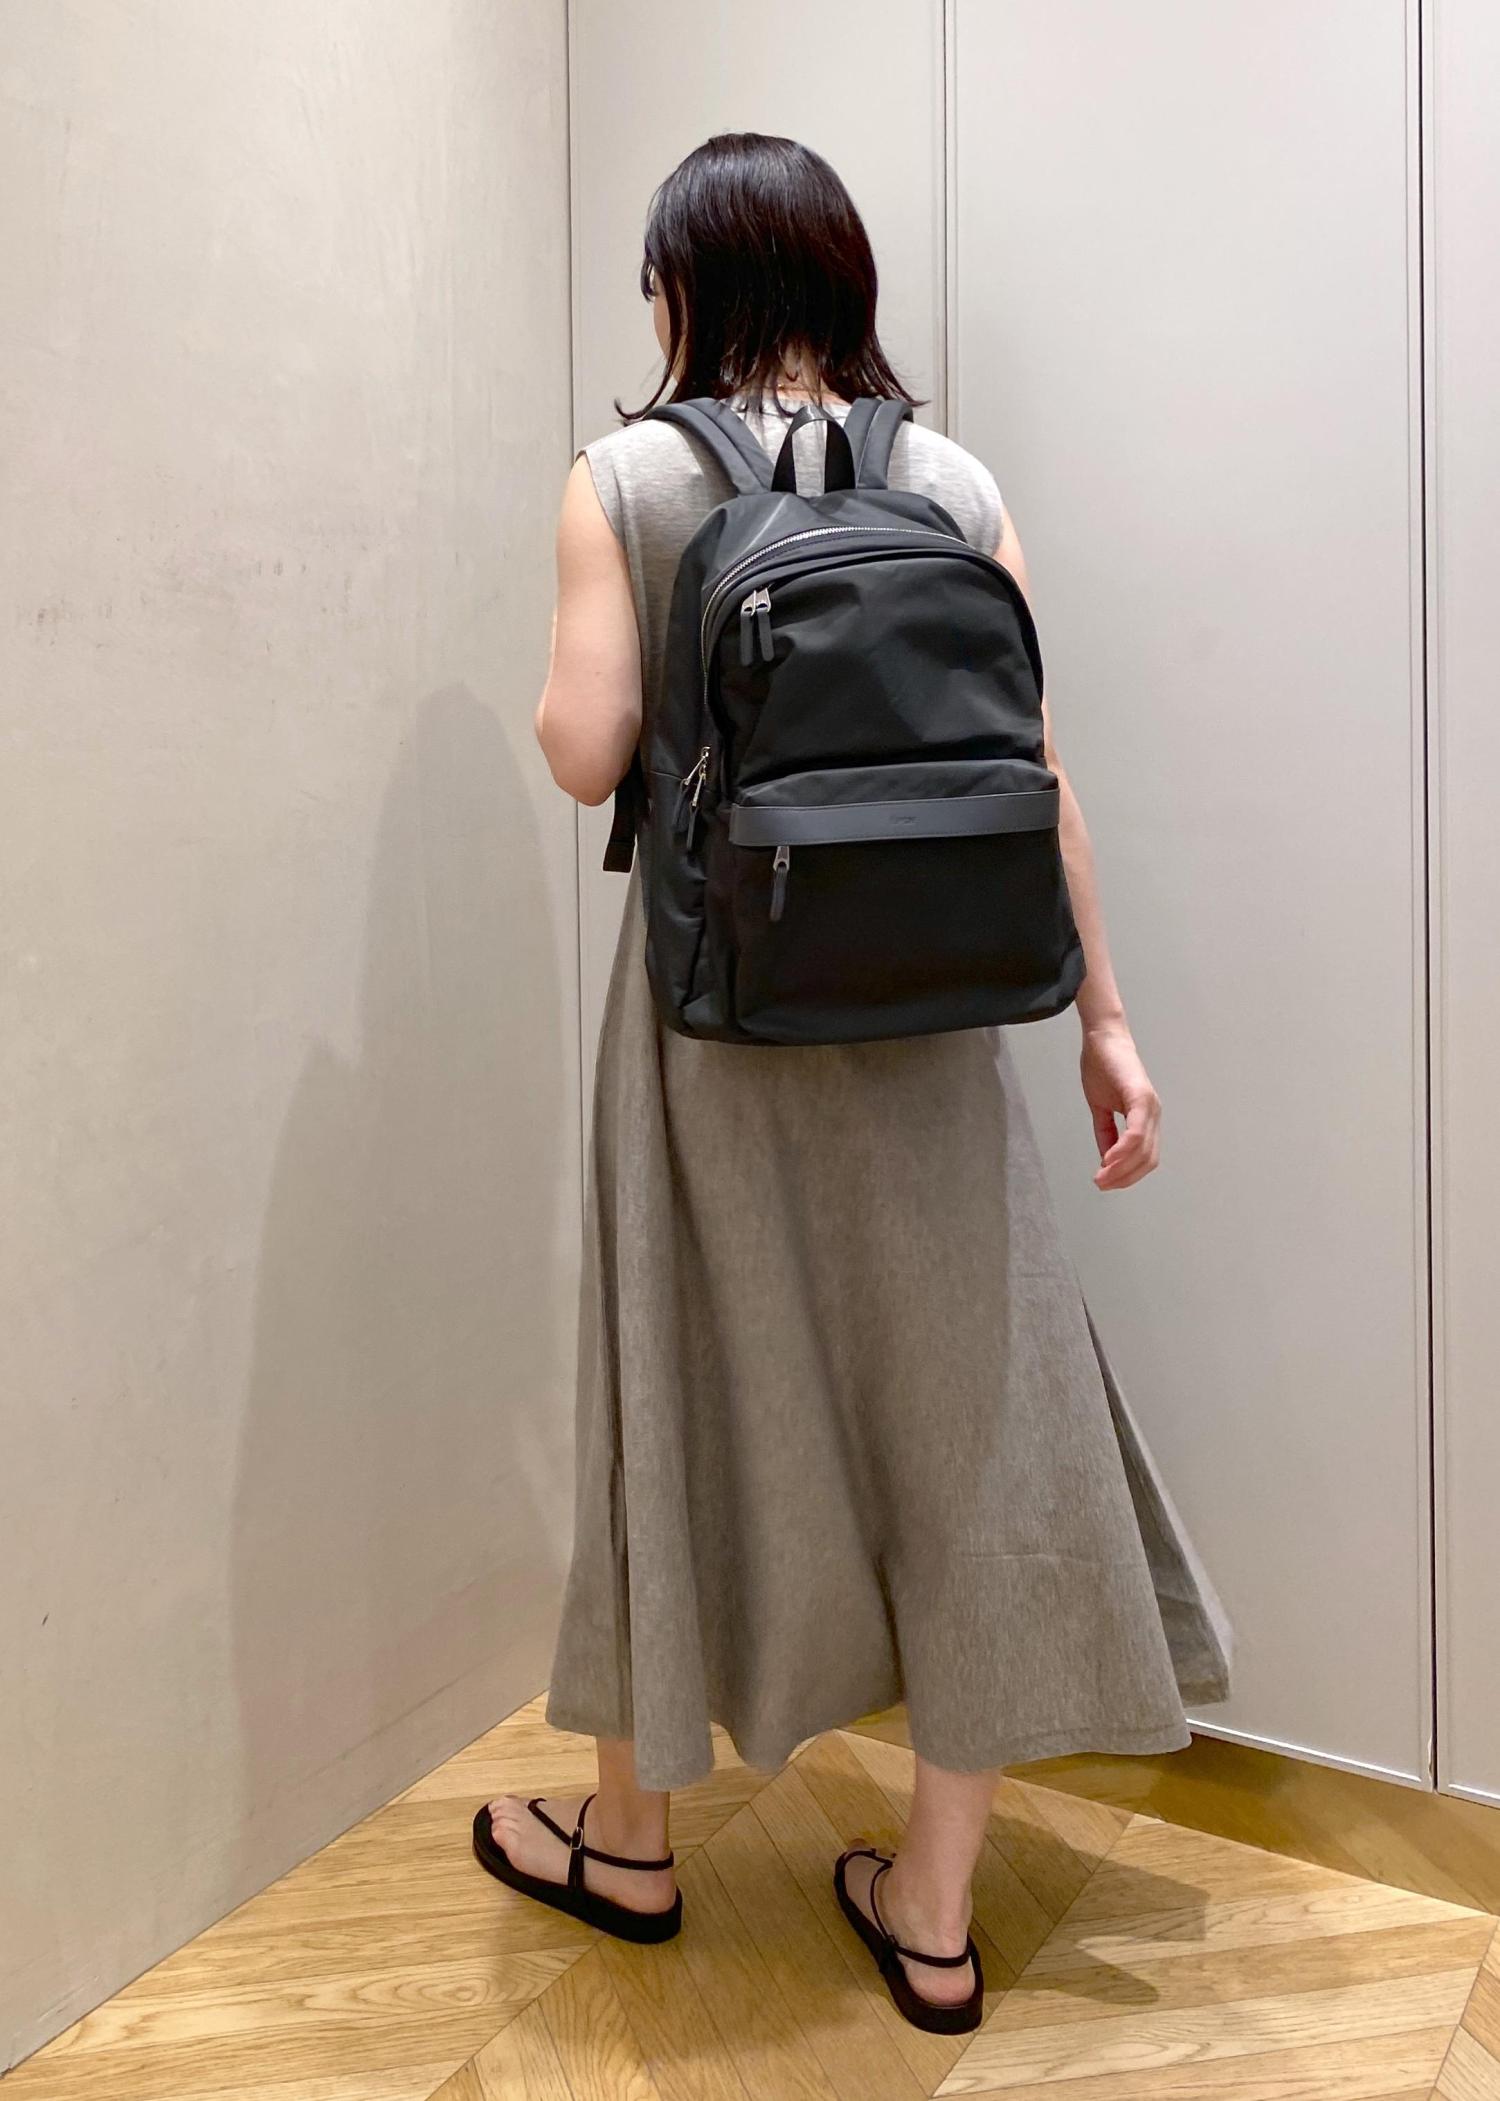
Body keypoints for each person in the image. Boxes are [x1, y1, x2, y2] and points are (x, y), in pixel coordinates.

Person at [473, 131, 1231, 2033]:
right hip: (933, 1037)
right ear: (843, 282)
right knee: (963, 1435)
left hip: (710, 1033)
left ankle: (631, 1842)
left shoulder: (626, 480)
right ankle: (936, 1914)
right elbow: (1034, 768)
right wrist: (1106, 1020)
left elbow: (582, 753)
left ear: (686, 284)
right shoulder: (952, 481)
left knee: (669, 1398)